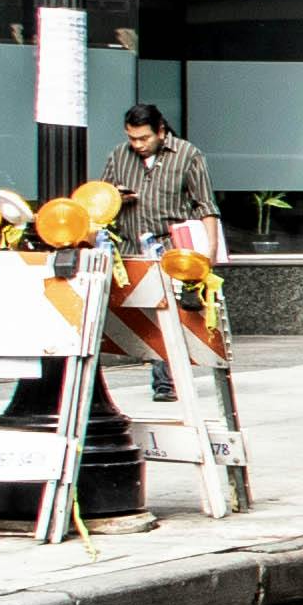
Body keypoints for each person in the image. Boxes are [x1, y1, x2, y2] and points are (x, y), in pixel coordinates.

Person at [105, 101, 213, 402]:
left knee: (168, 314)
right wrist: (117, 197)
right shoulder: (118, 156)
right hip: (129, 247)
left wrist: (209, 256)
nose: (137, 145)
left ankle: (166, 383)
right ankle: (163, 376)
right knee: (146, 317)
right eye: (132, 138)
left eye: (144, 138)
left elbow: (206, 205)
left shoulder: (187, 155)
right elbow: (102, 199)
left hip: (170, 247)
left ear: (161, 132)